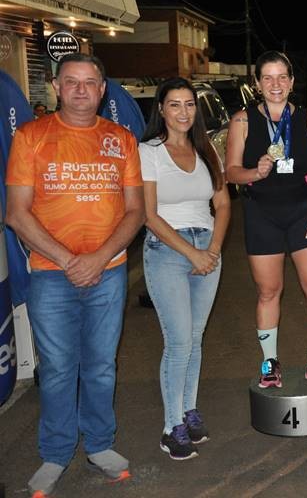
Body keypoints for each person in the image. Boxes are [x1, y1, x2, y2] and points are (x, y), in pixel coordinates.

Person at [6, 53, 145, 495]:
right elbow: (16, 213)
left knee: (102, 367)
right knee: (58, 369)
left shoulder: (121, 139)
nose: (81, 89)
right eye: (71, 81)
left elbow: (136, 211)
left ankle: (100, 444)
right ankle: (55, 452)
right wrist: (70, 261)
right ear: (57, 87)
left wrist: (99, 258)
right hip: (51, 275)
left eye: (89, 82)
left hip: (109, 272)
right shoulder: (30, 137)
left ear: (102, 90)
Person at [225, 51, 307, 386]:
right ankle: (269, 362)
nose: (276, 84)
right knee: (268, 291)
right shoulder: (242, 121)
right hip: (262, 214)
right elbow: (231, 172)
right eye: (268, 78)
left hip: (304, 212)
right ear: (257, 83)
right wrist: (254, 173)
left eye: (282, 77)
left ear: (292, 82)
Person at [140, 78, 231, 460]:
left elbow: (222, 205)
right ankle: (171, 427)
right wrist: (192, 254)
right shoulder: (148, 152)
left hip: (207, 248)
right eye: (174, 104)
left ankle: (189, 412)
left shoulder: (206, 148)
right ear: (161, 109)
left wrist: (212, 250)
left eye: (189, 104)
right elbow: (148, 214)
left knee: (194, 338)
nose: (183, 112)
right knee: (178, 342)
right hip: (167, 250)